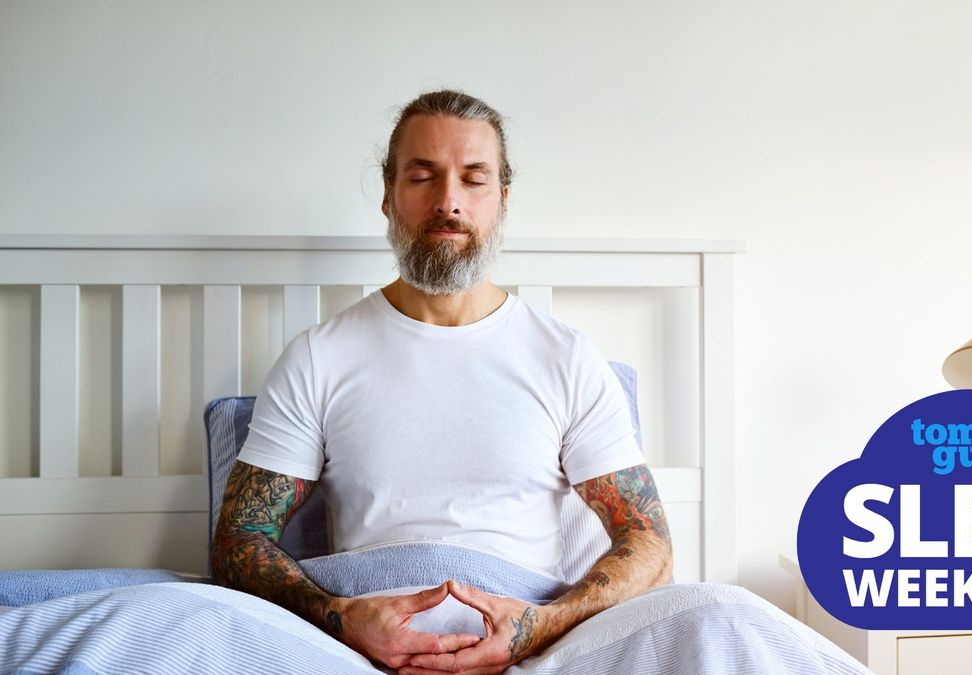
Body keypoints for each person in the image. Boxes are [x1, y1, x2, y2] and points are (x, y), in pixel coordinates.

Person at [210, 90, 673, 674]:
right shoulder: (318, 357)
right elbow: (237, 542)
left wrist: (538, 627)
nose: (448, 201)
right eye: (423, 176)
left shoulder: (567, 358)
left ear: (501, 200)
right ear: (388, 196)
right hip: (353, 648)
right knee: (158, 616)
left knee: (725, 612)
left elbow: (650, 545)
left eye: (473, 179)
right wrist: (339, 616)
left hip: (535, 641)